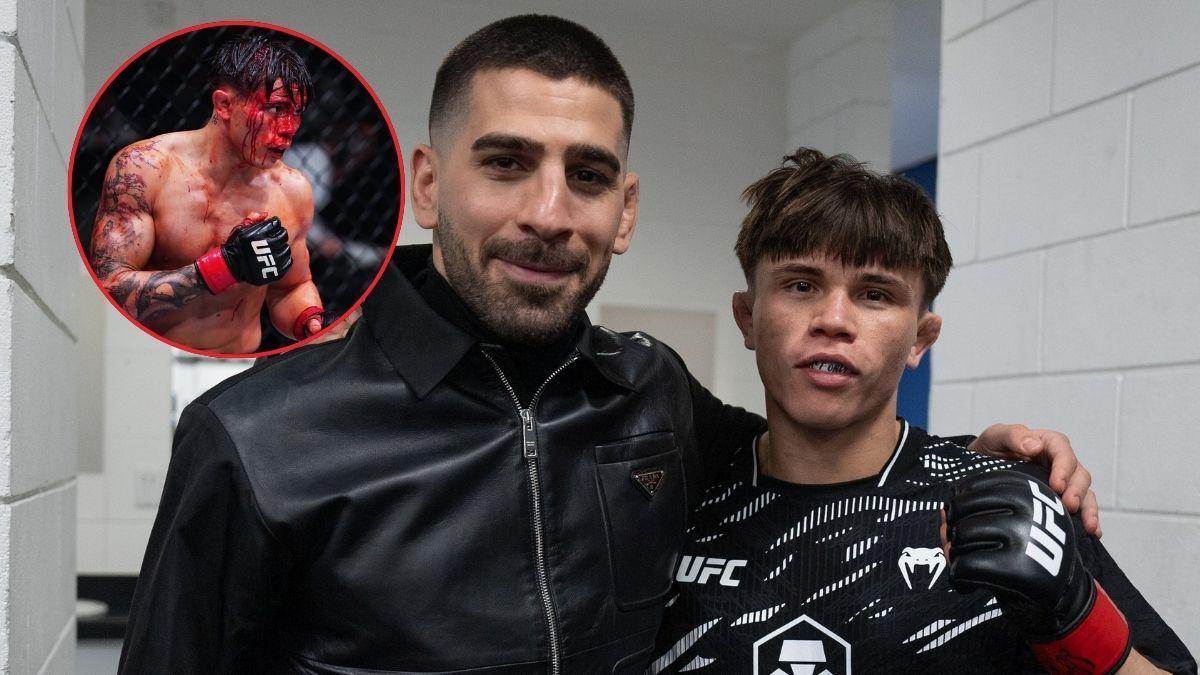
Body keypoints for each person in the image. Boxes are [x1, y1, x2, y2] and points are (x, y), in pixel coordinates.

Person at [119, 16, 1100, 674]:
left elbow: (812, 446)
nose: (550, 213)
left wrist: (968, 460)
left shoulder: (651, 392)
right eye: (506, 163)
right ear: (426, 183)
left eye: (587, 176)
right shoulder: (256, 438)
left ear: (624, 211)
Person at [649, 149, 1195, 674]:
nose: (833, 319)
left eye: (875, 294)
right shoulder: (673, 498)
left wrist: (1071, 617)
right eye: (801, 285)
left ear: (920, 338)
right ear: (748, 317)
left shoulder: (1004, 505)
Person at [89, 34, 327, 353]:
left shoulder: (292, 190)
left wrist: (310, 323)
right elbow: (108, 288)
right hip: (148, 362)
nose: (289, 129)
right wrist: (222, 268)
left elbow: (291, 287)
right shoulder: (145, 169)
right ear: (224, 105)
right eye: (275, 108)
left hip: (239, 366)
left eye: (297, 112)